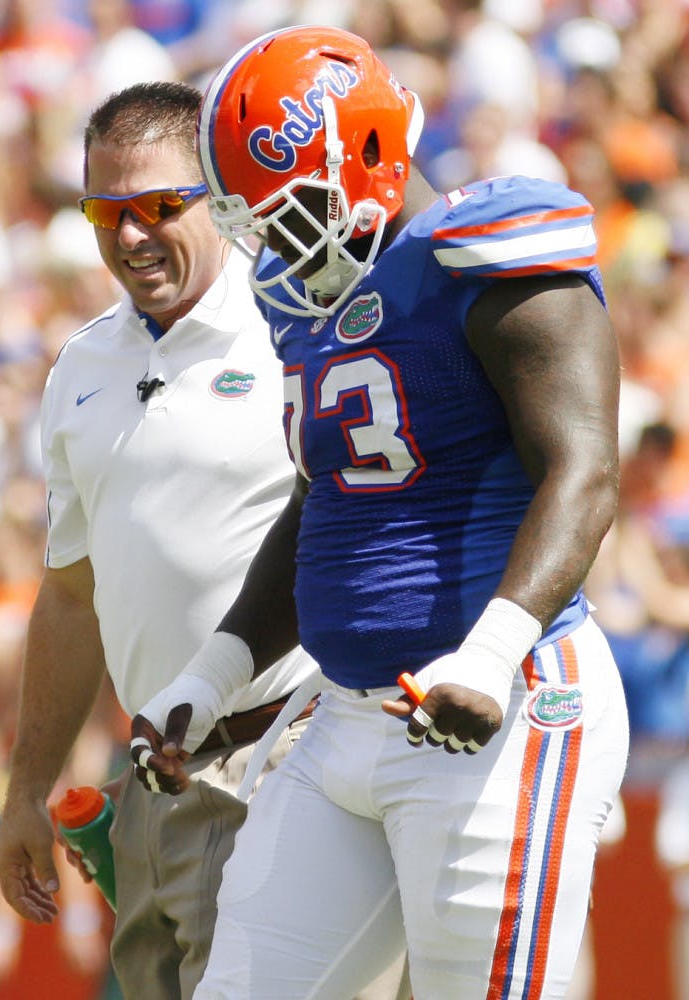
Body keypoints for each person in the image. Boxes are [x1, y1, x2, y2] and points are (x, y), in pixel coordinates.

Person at [131, 26, 630, 1000]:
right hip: (346, 715)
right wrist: (214, 673)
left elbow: (585, 470)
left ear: (364, 153)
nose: (272, 241)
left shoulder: (485, 254)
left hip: (503, 712)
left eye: (287, 210)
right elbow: (330, 496)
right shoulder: (300, 295)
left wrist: (488, 654)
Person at [0, 80, 335, 1000]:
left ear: (217, 197)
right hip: (154, 783)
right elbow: (70, 593)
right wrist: (27, 791)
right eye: (108, 211)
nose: (132, 235)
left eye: (159, 206)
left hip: (287, 762)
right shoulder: (81, 364)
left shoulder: (298, 329)